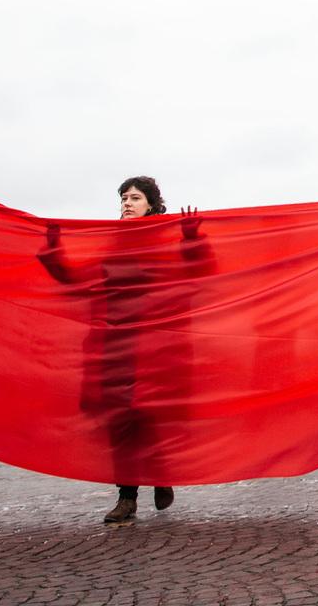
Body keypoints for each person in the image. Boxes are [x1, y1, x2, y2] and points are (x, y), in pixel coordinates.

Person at [40, 175, 207, 527]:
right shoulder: (112, 243)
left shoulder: (163, 240)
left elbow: (199, 273)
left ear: (151, 203)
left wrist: (192, 240)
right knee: (119, 420)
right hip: (113, 344)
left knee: (144, 413)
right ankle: (127, 497)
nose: (127, 204)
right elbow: (77, 280)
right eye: (123, 199)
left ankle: (159, 475)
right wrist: (54, 250)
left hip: (153, 344)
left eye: (134, 198)